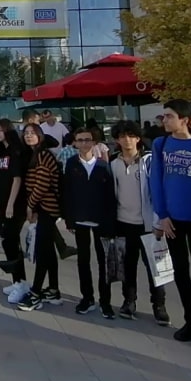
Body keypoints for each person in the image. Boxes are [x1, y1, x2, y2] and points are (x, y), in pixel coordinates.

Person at [149, 99, 191, 351]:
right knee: (180, 271)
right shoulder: (161, 144)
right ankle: (190, 320)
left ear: (184, 119)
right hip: (172, 220)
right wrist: (162, 214)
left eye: (169, 116)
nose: (164, 120)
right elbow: (156, 182)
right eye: (163, 116)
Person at [110, 121, 168, 325]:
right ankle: (129, 301)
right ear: (116, 140)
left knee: (155, 266)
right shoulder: (114, 163)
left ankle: (159, 305)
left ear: (137, 138)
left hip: (149, 224)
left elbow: (160, 193)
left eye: (131, 135)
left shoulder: (150, 161)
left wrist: (159, 221)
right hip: (124, 222)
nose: (126, 140)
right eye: (122, 136)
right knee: (127, 265)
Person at [63, 127, 118, 319]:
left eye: (88, 140)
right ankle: (87, 297)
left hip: (100, 221)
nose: (84, 143)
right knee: (83, 261)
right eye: (80, 140)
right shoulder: (71, 164)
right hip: (79, 220)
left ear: (94, 142)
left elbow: (110, 197)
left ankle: (105, 301)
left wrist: (110, 224)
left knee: (103, 262)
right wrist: (68, 219)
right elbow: (66, 193)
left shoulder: (103, 166)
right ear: (75, 143)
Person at [16, 124, 64, 312]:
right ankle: (53, 289)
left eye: (32, 133)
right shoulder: (35, 154)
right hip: (43, 208)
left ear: (40, 136)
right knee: (49, 250)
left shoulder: (44, 155)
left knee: (42, 251)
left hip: (47, 209)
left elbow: (42, 184)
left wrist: (30, 206)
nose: (28, 136)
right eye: (26, 133)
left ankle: (36, 293)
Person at [0, 118, 30, 304]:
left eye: (0, 130)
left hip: (15, 206)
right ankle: (16, 280)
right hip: (3, 203)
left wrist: (10, 204)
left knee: (11, 242)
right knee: (10, 241)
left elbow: (17, 180)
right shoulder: (4, 151)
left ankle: (21, 283)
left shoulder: (16, 151)